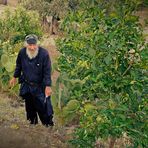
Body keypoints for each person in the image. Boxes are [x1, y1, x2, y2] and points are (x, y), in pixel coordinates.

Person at [9, 34, 54, 127]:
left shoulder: (44, 54)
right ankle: (32, 125)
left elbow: (47, 71)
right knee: (29, 107)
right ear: (26, 45)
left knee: (43, 107)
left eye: (34, 45)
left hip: (40, 86)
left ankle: (48, 126)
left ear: (37, 44)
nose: (32, 47)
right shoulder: (22, 53)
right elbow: (19, 66)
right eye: (30, 45)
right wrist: (14, 77)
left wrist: (48, 86)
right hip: (27, 84)